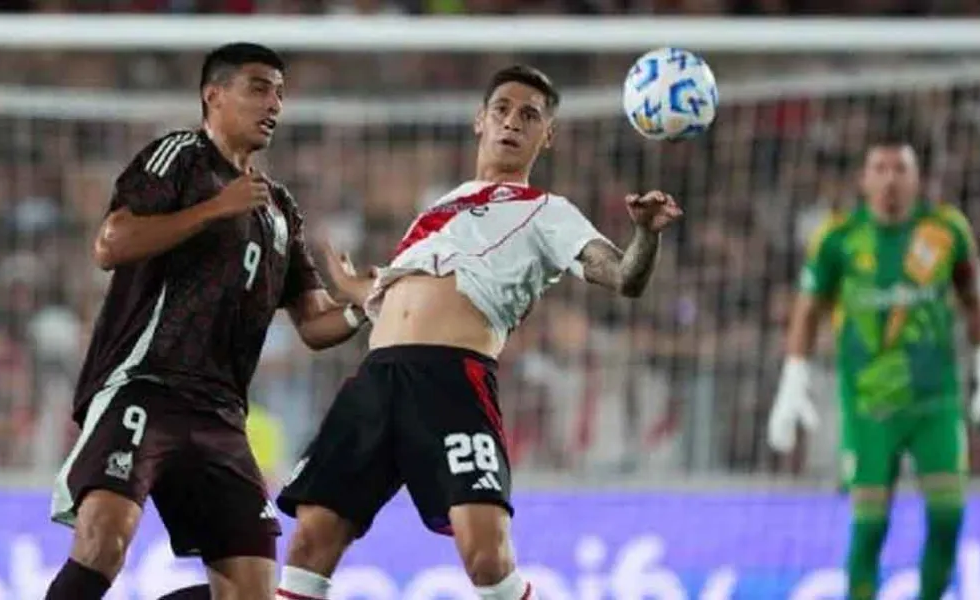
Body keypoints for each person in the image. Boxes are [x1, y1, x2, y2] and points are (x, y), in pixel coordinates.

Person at [272, 65, 682, 600]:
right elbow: (398, 298)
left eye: (529, 115)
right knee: (310, 542)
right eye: (503, 110)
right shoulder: (435, 213)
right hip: (376, 378)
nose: (513, 122)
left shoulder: (548, 212)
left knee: (486, 556)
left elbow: (625, 277)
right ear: (480, 121)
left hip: (451, 379)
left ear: (547, 135)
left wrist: (645, 236)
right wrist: (356, 290)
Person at [45, 42, 366, 600]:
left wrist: (368, 305)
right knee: (104, 541)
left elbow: (315, 323)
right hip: (146, 387)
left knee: (250, 594)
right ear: (212, 95)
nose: (274, 104)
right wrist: (216, 207)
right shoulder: (181, 157)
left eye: (281, 93)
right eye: (259, 88)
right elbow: (110, 242)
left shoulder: (280, 210)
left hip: (220, 416)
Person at [767, 139, 980, 600]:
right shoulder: (838, 239)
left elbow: (973, 301)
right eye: (880, 167)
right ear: (864, 179)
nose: (890, 177)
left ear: (917, 178)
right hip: (868, 407)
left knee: (949, 519)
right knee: (871, 526)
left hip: (936, 403)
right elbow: (808, 311)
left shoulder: (946, 231)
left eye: (901, 168)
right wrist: (792, 384)